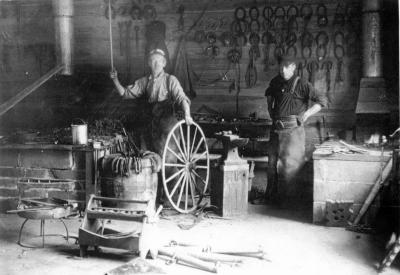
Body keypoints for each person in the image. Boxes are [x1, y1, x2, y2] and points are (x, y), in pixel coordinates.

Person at [110, 48, 193, 203]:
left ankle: (169, 201)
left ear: (164, 63)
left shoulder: (171, 80)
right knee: (150, 161)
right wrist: (115, 80)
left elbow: (182, 99)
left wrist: (187, 114)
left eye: (158, 61)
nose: (155, 64)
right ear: (149, 63)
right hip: (152, 126)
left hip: (168, 127)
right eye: (152, 61)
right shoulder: (144, 82)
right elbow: (125, 94)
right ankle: (153, 199)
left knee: (168, 163)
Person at [263, 56, 328, 206]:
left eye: (286, 67)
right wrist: (270, 108)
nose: (283, 70)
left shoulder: (303, 84)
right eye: (281, 67)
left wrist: (306, 114)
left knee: (292, 166)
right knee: (271, 164)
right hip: (276, 129)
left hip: (293, 131)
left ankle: (291, 203)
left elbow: (322, 101)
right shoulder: (275, 81)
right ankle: (270, 198)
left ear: (293, 68)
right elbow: (269, 94)